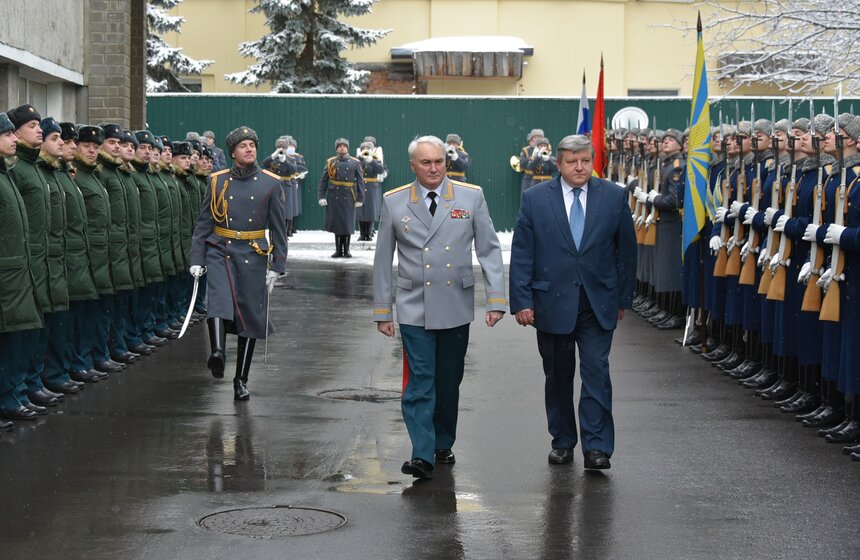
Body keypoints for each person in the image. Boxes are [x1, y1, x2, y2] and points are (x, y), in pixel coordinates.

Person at [372, 135, 507, 480]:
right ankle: (421, 453)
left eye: (439, 162)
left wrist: (496, 300)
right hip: (414, 305)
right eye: (425, 162)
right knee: (420, 381)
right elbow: (382, 259)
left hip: (455, 304)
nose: (433, 169)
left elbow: (489, 250)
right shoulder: (395, 201)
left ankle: (442, 441)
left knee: (448, 381)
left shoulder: (469, 197)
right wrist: (382, 310)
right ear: (412, 166)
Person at [509, 134, 637, 470]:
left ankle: (597, 447)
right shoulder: (536, 198)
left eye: (585, 160)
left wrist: (623, 296)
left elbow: (626, 250)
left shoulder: (612, 196)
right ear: (559, 164)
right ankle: (563, 440)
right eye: (571, 161)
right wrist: (522, 299)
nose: (579, 167)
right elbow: (523, 252)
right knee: (558, 376)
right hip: (552, 301)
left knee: (596, 373)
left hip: (598, 302)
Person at [189, 126, 287, 401]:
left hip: (254, 254)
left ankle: (240, 379)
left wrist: (277, 265)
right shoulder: (217, 181)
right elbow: (203, 225)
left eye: (252, 145)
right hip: (221, 249)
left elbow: (279, 228)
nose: (249, 149)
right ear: (232, 152)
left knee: (250, 318)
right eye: (243, 146)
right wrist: (196, 257)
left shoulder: (270, 182)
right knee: (218, 300)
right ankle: (217, 353)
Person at [0, 111, 44, 425]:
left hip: (16, 271)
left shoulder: (7, 176)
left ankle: (12, 396)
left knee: (16, 338)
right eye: (8, 134)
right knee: (9, 340)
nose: (14, 139)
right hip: (7, 273)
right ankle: (8, 398)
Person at [318, 138, 364, 258]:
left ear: (348, 148)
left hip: (349, 196)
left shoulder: (355, 162)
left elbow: (360, 182)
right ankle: (338, 250)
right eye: (339, 146)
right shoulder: (330, 162)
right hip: (334, 196)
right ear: (336, 148)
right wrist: (321, 196)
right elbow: (323, 181)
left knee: (347, 224)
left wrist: (360, 198)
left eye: (344, 146)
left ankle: (347, 250)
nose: (342, 147)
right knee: (337, 224)